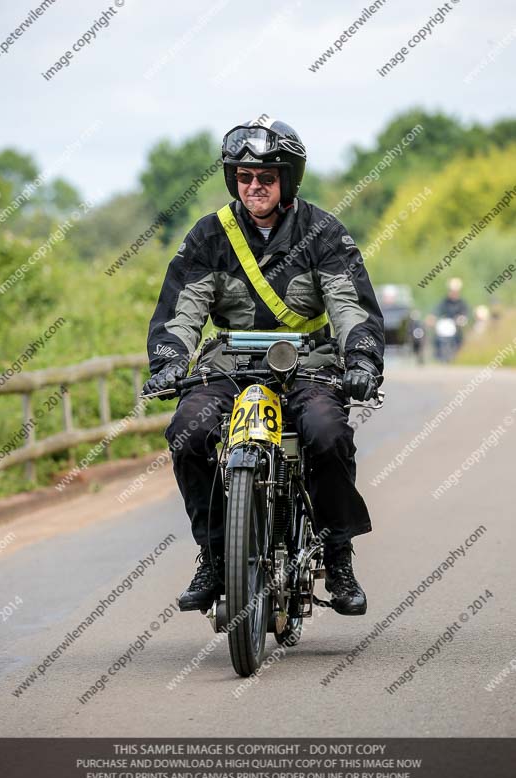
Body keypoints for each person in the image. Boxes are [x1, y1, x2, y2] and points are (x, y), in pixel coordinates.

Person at [144, 118, 385, 616]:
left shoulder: (323, 233)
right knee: (188, 433)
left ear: (288, 181)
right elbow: (181, 310)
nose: (255, 186)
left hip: (309, 364)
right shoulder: (210, 235)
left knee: (327, 432)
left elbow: (350, 306)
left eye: (267, 177)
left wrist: (360, 359)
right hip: (228, 365)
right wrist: (168, 361)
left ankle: (338, 556)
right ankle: (214, 556)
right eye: (245, 176)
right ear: (233, 178)